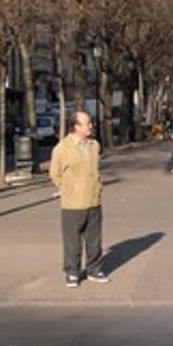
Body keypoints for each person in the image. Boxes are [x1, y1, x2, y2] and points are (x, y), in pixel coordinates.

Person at [49, 110, 109, 287]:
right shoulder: (62, 148)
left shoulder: (94, 145)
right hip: (73, 203)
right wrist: (66, 188)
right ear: (76, 127)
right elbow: (55, 173)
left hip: (93, 200)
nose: (91, 125)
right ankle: (72, 272)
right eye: (87, 123)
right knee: (72, 241)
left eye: (90, 123)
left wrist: (98, 185)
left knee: (94, 240)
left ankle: (94, 270)